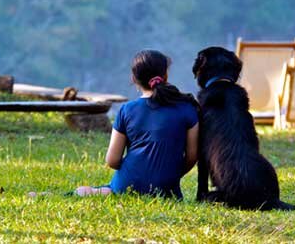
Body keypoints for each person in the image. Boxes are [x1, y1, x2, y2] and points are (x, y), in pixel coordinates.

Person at [71, 50, 199, 198]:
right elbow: (191, 157)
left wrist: (138, 171)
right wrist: (169, 173)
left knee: (92, 191)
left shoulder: (127, 110)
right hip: (168, 190)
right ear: (165, 76)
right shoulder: (188, 109)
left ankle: (56, 194)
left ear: (133, 78)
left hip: (127, 184)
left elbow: (112, 160)